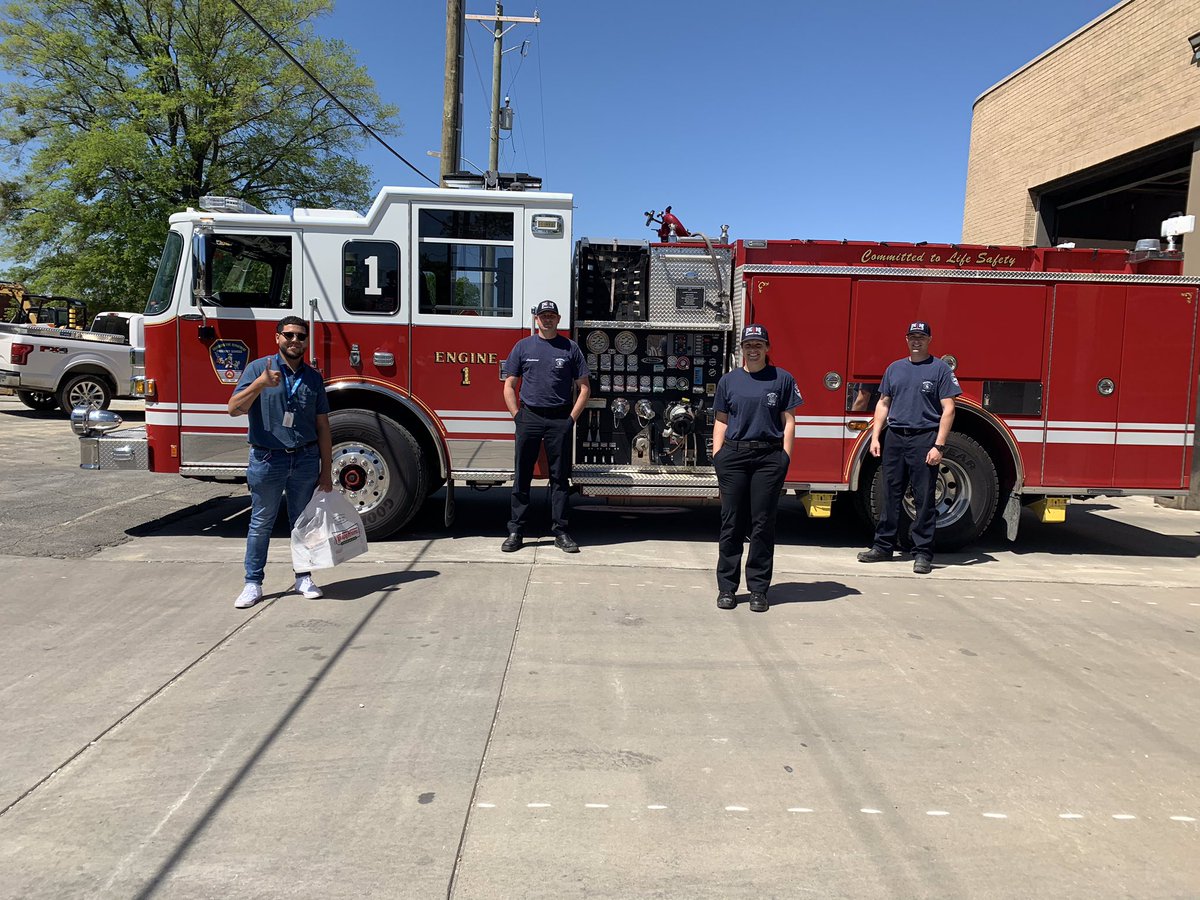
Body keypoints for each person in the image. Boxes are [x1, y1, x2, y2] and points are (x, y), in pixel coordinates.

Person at [227, 316, 334, 608]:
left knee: (303, 523)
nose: (295, 341)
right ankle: (253, 583)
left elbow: (323, 426)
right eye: (289, 335)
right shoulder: (258, 369)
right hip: (267, 458)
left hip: (305, 458)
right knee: (261, 523)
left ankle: (303, 577)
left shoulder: (312, 378)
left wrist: (327, 471)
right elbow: (233, 409)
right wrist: (260, 384)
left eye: (301, 337)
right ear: (277, 338)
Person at [857, 321, 961, 574]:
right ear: (906, 339)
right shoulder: (894, 369)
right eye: (912, 337)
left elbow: (949, 409)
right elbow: (883, 403)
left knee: (924, 497)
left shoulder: (940, 370)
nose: (916, 341)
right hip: (895, 437)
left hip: (924, 438)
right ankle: (883, 546)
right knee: (890, 494)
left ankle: (923, 553)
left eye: (921, 337)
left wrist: (939, 445)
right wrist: (875, 436)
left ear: (929, 340)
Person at [711, 324, 802, 613]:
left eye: (758, 344)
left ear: (767, 348)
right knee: (732, 523)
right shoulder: (729, 381)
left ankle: (758, 589)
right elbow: (721, 421)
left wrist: (784, 458)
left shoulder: (782, 379)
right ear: (742, 349)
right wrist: (718, 456)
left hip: (768, 458)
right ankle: (727, 587)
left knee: (762, 525)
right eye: (748, 345)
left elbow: (789, 421)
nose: (753, 349)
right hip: (734, 457)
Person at [501, 300, 591, 553]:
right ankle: (516, 530)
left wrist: (570, 420)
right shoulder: (523, 346)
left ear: (558, 319)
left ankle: (560, 532)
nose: (547, 320)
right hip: (529, 417)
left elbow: (584, 388)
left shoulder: (570, 348)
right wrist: (517, 416)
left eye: (551, 316)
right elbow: (509, 385)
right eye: (543, 316)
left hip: (559, 419)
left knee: (559, 478)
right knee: (522, 476)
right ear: (537, 320)